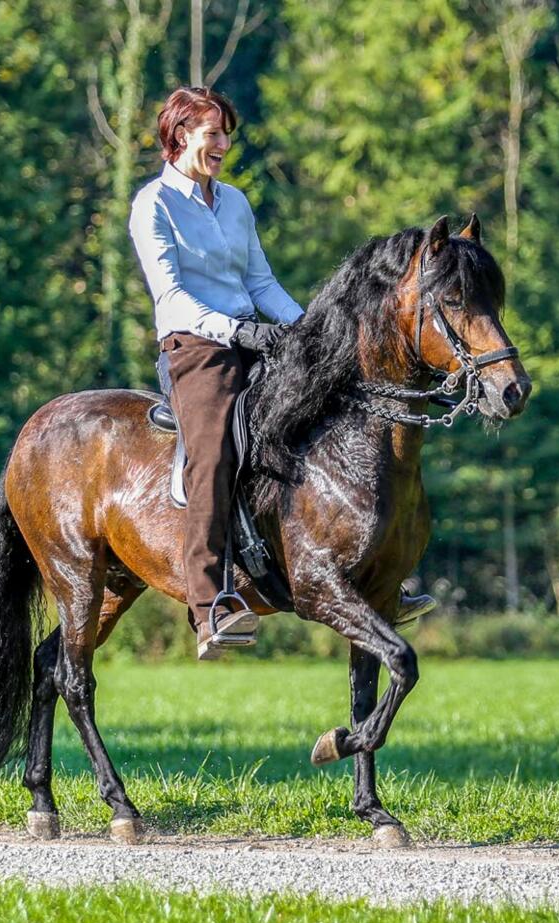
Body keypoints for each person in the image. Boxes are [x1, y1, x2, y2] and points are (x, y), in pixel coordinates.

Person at [129, 86, 433, 660]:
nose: (222, 144)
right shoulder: (153, 205)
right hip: (196, 349)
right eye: (212, 133)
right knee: (214, 453)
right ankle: (210, 603)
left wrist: (310, 331)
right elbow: (169, 297)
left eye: (225, 134)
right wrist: (238, 332)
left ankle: (380, 573)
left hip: (255, 337)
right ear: (179, 136)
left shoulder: (235, 203)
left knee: (343, 418)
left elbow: (261, 282)